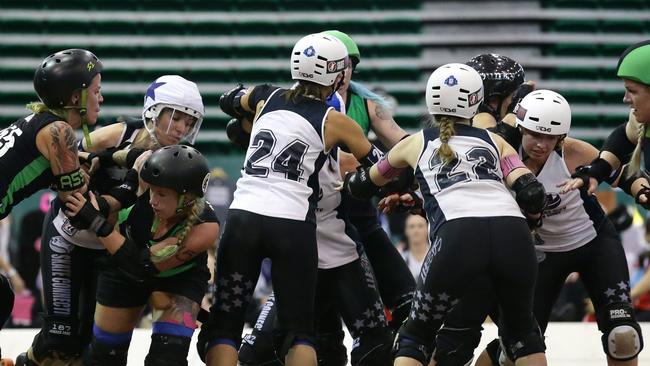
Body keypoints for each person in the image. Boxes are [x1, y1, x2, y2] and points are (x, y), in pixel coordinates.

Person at [342, 63, 548, 366]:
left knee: (416, 336)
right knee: (524, 336)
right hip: (513, 236)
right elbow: (532, 193)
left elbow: (364, 184)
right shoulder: (496, 141)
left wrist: (354, 183)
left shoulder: (416, 142)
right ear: (475, 102)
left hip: (459, 236)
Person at [197, 32, 383, 366]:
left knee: (225, 325)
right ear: (337, 74)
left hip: (244, 216)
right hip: (292, 224)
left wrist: (246, 114)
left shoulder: (266, 96)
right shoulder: (336, 120)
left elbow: (228, 101)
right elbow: (380, 166)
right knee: (299, 332)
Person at [434, 90, 644, 366]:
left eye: (550, 137)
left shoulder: (574, 152)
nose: (541, 145)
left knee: (623, 335)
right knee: (516, 350)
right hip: (539, 255)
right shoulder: (498, 157)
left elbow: (625, 176)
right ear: (520, 128)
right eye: (534, 135)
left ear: (562, 137)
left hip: (593, 244)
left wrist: (642, 190)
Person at [16, 74, 205, 365]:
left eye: (189, 122)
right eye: (176, 118)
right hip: (69, 236)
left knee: (86, 344)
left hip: (109, 247)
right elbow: (69, 159)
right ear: (154, 111)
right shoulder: (120, 132)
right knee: (59, 337)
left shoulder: (180, 159)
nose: (182, 128)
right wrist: (102, 161)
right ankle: (25, 362)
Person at [237, 109, 393, 366]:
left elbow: (392, 168)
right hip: (302, 259)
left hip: (338, 254)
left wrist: (380, 182)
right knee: (260, 353)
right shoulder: (278, 150)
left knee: (374, 345)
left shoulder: (345, 157)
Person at [64, 145, 219, 366]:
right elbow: (131, 154)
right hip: (122, 270)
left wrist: (94, 220)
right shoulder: (150, 179)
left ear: (187, 199)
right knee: (104, 356)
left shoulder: (205, 227)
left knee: (167, 359)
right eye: (152, 190)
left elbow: (141, 265)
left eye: (162, 194)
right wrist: (95, 157)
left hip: (178, 279)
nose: (152, 199)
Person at [0, 48, 102, 364]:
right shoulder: (59, 131)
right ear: (75, 98)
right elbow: (73, 195)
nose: (101, 99)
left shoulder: (39, 123)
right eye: (96, 91)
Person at [322, 29, 416, 330]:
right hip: (319, 219)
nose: (341, 72)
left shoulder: (368, 104)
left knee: (408, 303)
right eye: (335, 64)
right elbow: (347, 161)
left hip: (360, 213)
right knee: (324, 323)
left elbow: (403, 143)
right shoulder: (299, 106)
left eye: (347, 65)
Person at [400, 214, 429, 280]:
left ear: (427, 229)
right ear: (406, 231)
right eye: (411, 226)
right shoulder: (401, 259)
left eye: (420, 226)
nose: (416, 231)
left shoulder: (436, 255)